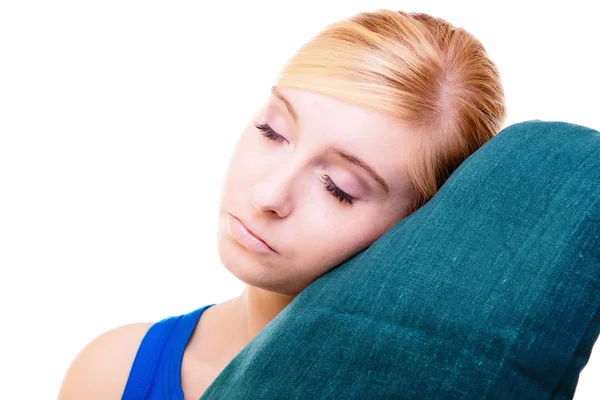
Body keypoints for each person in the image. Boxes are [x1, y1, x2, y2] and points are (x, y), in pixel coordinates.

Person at [57, 9, 506, 399]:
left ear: (419, 225)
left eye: (339, 188)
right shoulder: (113, 374)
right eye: (273, 131)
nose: (268, 194)